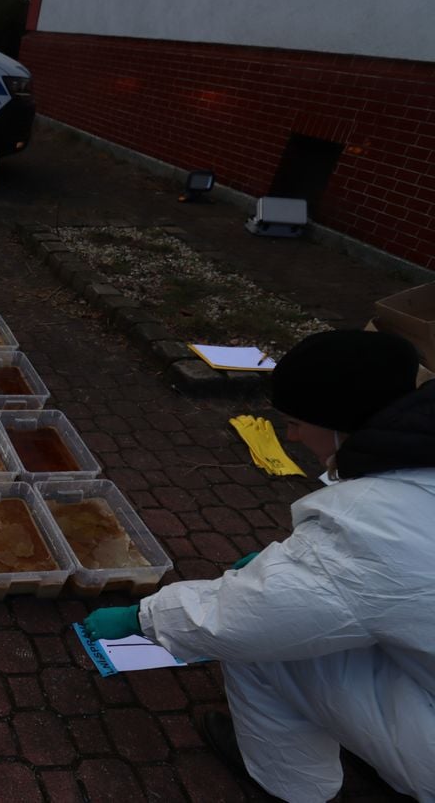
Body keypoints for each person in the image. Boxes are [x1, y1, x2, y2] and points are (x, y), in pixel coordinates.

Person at [84, 329, 435, 802]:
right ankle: (381, 749)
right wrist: (308, 573)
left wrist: (144, 617)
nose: (288, 436)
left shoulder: (375, 522)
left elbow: (245, 621)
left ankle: (288, 783)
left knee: (265, 652)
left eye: (294, 421)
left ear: (337, 420)